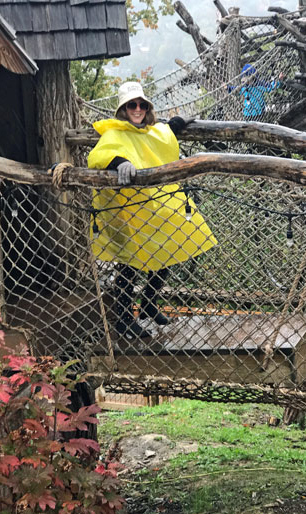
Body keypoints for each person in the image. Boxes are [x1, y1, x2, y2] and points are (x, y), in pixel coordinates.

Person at [87, 81, 217, 340]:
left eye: (142, 105)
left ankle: (148, 301)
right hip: (126, 210)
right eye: (132, 105)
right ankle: (124, 319)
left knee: (172, 244)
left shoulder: (151, 131)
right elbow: (99, 155)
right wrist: (119, 162)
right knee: (129, 263)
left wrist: (178, 123)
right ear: (123, 108)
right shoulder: (115, 133)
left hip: (154, 205)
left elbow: (162, 135)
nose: (137, 109)